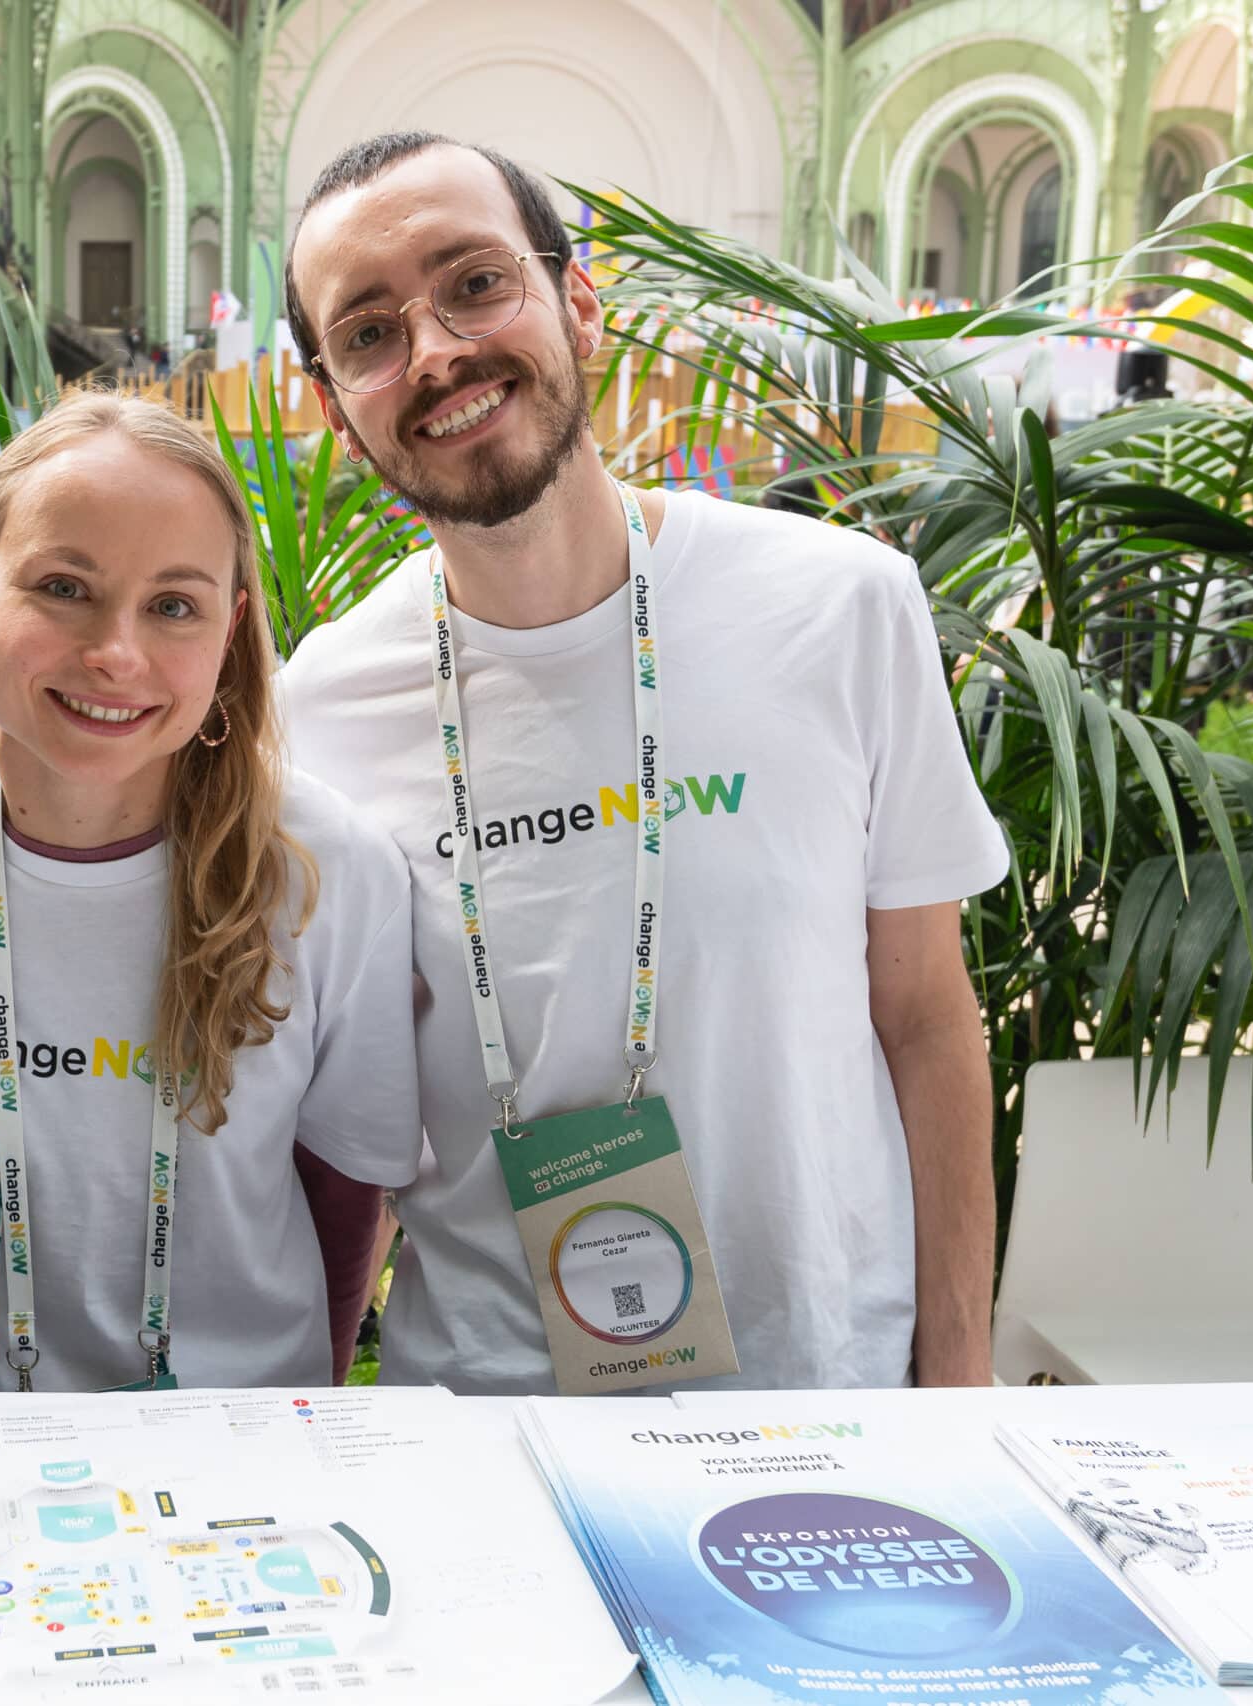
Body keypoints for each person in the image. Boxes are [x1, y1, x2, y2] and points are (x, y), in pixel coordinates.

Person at [277, 133, 1007, 1396]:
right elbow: (356, 1112)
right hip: (495, 1418)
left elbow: (927, 1016)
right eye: (368, 333)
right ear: (338, 406)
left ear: (579, 304)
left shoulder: (840, 607)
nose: (436, 351)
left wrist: (959, 1384)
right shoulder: (328, 702)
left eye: (472, 283)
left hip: (828, 1386)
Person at [0, 392, 421, 1392]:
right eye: (64, 586)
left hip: (231, 1471)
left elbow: (342, 1200)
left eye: (172, 605)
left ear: (229, 624)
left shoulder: (326, 868)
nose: (115, 652)